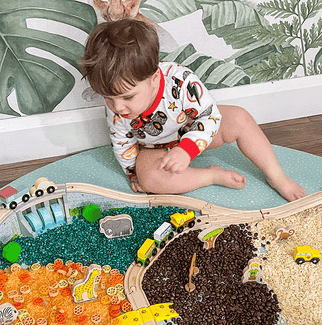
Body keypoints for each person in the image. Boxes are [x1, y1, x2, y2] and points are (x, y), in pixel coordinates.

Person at [81, 18, 306, 201]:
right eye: (108, 99)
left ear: (153, 78)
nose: (118, 107)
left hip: (193, 131)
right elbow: (123, 141)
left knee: (239, 118)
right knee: (150, 180)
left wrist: (187, 149)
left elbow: (209, 116)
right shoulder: (117, 103)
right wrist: (134, 174)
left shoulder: (180, 80)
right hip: (154, 148)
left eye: (127, 97)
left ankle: (277, 176)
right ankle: (210, 175)